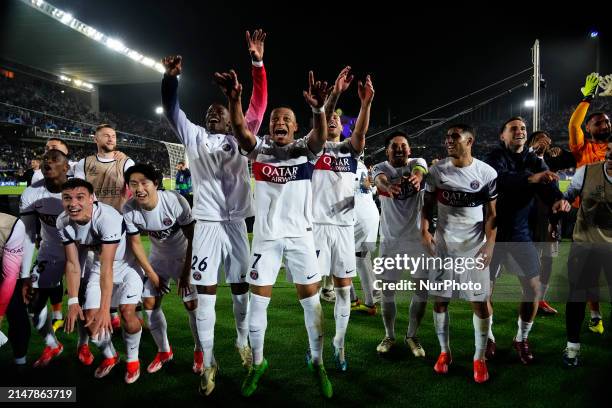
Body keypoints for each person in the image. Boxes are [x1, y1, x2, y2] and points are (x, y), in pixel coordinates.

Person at [161, 29, 268, 396]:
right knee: (205, 296)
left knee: (241, 292)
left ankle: (241, 340)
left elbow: (258, 104)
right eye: (208, 112)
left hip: (236, 224)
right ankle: (208, 362)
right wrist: (170, 79)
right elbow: (172, 109)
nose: (211, 115)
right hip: (206, 223)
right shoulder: (192, 137)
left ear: (229, 118)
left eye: (218, 112)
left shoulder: (242, 134)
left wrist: (257, 63)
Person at [215, 68, 333, 398]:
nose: (279, 123)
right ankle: (258, 364)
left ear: (295, 127)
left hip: (300, 239)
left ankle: (318, 362)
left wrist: (318, 110)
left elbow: (320, 137)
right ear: (269, 126)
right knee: (256, 309)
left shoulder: (306, 151)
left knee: (313, 307)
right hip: (266, 240)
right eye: (275, 119)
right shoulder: (259, 150)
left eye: (286, 119)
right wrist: (234, 99)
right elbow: (240, 129)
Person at [485, 117, 570, 364]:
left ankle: (521, 338)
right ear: (503, 136)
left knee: (533, 288)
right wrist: (531, 178)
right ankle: (488, 336)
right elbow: (498, 181)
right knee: (486, 290)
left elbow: (549, 185)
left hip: (521, 233)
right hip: (493, 232)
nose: (520, 131)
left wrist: (557, 199)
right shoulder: (494, 157)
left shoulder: (535, 160)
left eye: (523, 128)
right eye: (514, 128)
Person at [422, 124, 497, 383]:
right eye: (447, 137)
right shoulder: (437, 171)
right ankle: (445, 352)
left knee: (479, 303)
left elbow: (493, 215)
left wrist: (489, 246)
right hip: (443, 248)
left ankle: (479, 357)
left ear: (470, 140)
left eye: (454, 137)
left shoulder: (486, 173)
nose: (448, 141)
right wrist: (424, 231)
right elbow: (427, 205)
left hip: (473, 249)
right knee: (441, 301)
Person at [311, 66, 374, 370]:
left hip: (344, 228)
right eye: (330, 117)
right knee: (311, 295)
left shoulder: (350, 152)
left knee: (344, 289)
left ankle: (339, 344)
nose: (334, 120)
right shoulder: (312, 147)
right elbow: (323, 116)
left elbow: (361, 132)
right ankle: (316, 349)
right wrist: (333, 96)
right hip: (317, 228)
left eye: (337, 118)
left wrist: (366, 104)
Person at [59, 178, 144, 384]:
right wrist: (72, 302)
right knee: (90, 320)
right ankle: (110, 356)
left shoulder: (107, 218)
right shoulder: (62, 221)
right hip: (99, 268)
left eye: (80, 197)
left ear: (92, 198)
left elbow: (109, 265)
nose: (73, 204)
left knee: (126, 312)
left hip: (127, 267)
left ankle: (133, 360)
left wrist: (106, 309)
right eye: (67, 198)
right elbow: (72, 263)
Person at [122, 164, 198, 374]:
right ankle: (164, 351)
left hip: (184, 257)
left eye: (144, 183)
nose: (139, 189)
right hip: (158, 259)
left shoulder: (174, 201)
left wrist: (186, 273)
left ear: (156, 183)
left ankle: (199, 351)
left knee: (192, 305)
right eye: (133, 184)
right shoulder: (129, 209)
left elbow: (193, 238)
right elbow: (136, 245)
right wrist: (152, 274)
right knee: (149, 303)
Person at [372, 131, 428, 358]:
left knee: (421, 290)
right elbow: (379, 179)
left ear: (409, 150)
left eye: (403, 146)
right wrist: (387, 186)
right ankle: (389, 335)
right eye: (394, 146)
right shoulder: (379, 167)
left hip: (417, 241)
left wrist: (416, 177)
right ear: (387, 151)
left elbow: (420, 170)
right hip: (390, 241)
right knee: (387, 291)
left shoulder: (418, 163)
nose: (399, 149)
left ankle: (412, 335)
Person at [562, 138, 612, 366]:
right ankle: (572, 347)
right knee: (577, 296)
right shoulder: (585, 172)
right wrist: (563, 202)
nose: (610, 157)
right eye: (609, 152)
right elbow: (570, 194)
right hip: (584, 244)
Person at [568, 73, 611, 334]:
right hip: (588, 216)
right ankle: (594, 314)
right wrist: (587, 99)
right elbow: (574, 125)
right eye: (597, 122)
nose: (604, 125)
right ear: (589, 128)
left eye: (606, 121)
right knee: (589, 273)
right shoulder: (583, 148)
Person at [19, 150, 69, 367]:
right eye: (45, 158)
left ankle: (87, 346)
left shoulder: (79, 190)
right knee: (34, 301)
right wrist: (24, 275)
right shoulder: (31, 194)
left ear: (66, 168)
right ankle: (52, 345)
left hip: (82, 251)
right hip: (50, 251)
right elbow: (29, 235)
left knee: (87, 306)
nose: (48, 161)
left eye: (54, 158)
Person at [0, 212, 25, 349]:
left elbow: (9, 275)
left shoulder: (10, 226)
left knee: (18, 318)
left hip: (5, 270)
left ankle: (20, 364)